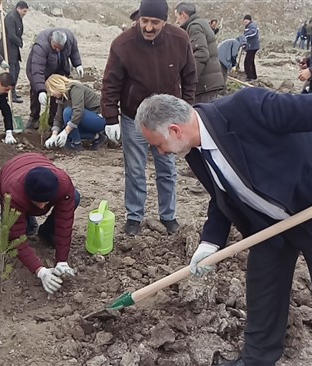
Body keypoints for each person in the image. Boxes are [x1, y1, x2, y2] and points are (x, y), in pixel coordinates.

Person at [135, 90, 312, 366]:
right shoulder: (196, 150)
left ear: (175, 130)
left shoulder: (246, 109)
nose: (160, 152)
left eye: (158, 144)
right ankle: (256, 360)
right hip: (270, 225)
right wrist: (210, 242)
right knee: (263, 295)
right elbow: (222, 195)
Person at [102, 0, 196, 236]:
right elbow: (110, 83)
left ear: (165, 21)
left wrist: (186, 108)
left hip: (168, 120)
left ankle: (168, 216)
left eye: (155, 22)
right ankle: (134, 216)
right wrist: (110, 117)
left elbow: (190, 76)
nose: (149, 27)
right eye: (145, 21)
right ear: (138, 18)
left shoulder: (180, 40)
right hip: (134, 118)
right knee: (135, 169)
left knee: (167, 168)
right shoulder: (123, 44)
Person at [0, 153, 80, 294]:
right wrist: (40, 270)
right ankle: (28, 218)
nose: (42, 207)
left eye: (45, 202)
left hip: (35, 167)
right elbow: (16, 237)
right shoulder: (13, 193)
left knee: (74, 197)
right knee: (17, 233)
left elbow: (64, 223)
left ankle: (46, 232)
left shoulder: (63, 184)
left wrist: (62, 261)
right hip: (11, 172)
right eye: (37, 202)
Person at [26, 28, 84, 129]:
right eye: (55, 47)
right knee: (35, 92)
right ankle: (34, 117)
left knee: (57, 93)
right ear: (51, 40)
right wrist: (41, 90)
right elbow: (37, 70)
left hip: (59, 67)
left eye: (60, 48)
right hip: (38, 70)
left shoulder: (69, 38)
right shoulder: (41, 46)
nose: (58, 49)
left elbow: (74, 50)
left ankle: (53, 120)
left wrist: (77, 64)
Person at [174, 2, 224, 102]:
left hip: (205, 84)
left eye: (177, 17)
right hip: (211, 82)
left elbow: (201, 54)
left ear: (183, 15)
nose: (177, 21)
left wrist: (189, 81)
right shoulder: (202, 23)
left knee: (203, 115)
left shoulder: (194, 27)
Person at [43, 74, 107, 151]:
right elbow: (58, 118)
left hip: (98, 119)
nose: (52, 94)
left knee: (68, 112)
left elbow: (78, 111)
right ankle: (97, 137)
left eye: (51, 91)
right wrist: (54, 135)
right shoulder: (62, 98)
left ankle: (76, 144)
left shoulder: (75, 88)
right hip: (85, 120)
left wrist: (66, 132)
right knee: (64, 131)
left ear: (56, 86)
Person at [0, 1, 28, 103]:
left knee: (16, 71)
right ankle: (10, 94)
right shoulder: (11, 17)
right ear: (19, 8)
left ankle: (12, 92)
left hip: (13, 49)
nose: (25, 13)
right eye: (24, 11)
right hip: (8, 48)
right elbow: (11, 35)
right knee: (12, 73)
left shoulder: (18, 17)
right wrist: (20, 42)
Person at [242, 14, 260, 81]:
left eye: (246, 21)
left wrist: (245, 36)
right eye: (244, 21)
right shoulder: (248, 26)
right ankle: (253, 76)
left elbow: (253, 33)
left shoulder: (252, 25)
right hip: (251, 46)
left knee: (247, 62)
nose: (245, 22)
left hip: (253, 46)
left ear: (249, 20)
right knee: (251, 61)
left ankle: (249, 76)